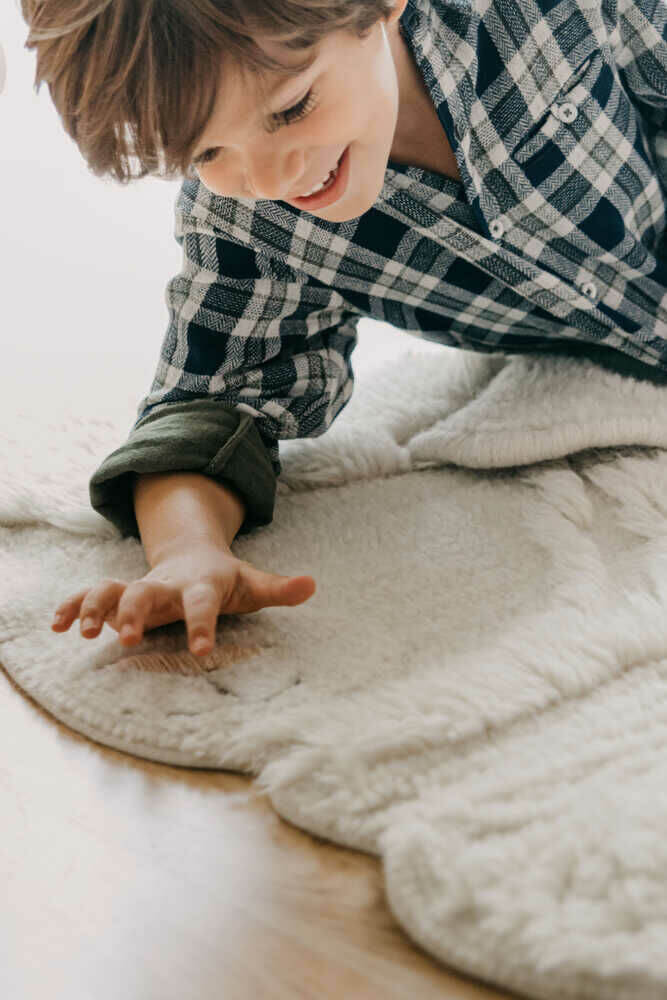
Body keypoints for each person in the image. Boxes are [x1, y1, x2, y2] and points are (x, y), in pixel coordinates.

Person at [23, 0, 666, 657]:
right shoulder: (248, 220)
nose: (273, 176)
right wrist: (188, 552)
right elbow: (206, 408)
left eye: (292, 107)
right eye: (210, 150)